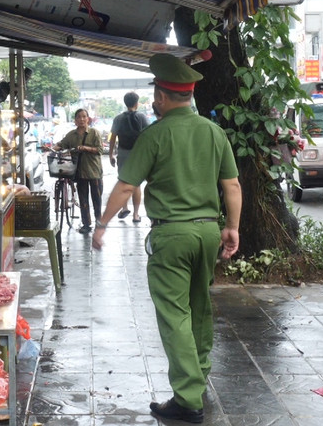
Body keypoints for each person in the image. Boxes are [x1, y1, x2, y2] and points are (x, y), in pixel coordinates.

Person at [92, 54, 241, 424]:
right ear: (188, 95)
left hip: (171, 234)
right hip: (208, 230)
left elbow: (127, 186)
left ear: (161, 95)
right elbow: (232, 185)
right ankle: (199, 373)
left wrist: (102, 224)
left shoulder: (154, 135)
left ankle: (188, 397)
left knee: (174, 314)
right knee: (199, 306)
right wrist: (232, 227)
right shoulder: (213, 131)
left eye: (156, 95)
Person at [54, 108, 103, 234]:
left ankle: (99, 222)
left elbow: (100, 150)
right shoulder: (71, 135)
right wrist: (54, 148)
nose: (81, 119)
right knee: (83, 199)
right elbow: (62, 144)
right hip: (80, 172)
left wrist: (86, 148)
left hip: (94, 172)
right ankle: (86, 224)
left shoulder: (94, 133)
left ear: (88, 119)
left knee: (97, 199)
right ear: (75, 120)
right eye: (79, 117)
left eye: (84, 116)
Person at [108, 91, 149, 223]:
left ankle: (125, 208)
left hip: (123, 153)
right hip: (138, 154)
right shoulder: (142, 117)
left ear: (125, 103)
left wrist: (111, 155)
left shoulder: (118, 118)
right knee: (136, 185)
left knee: (124, 182)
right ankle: (136, 215)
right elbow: (148, 135)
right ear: (136, 103)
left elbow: (113, 138)